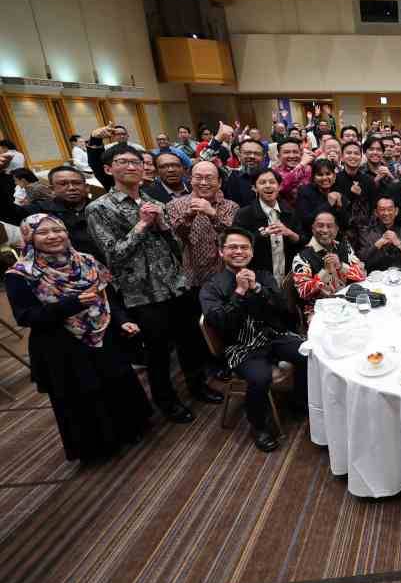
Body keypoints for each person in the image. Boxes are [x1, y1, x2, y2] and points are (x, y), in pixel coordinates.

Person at [5, 214, 152, 463]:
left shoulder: (86, 261)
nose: (52, 236)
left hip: (103, 333)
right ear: (29, 237)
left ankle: (129, 430)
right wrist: (69, 305)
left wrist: (121, 320)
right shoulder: (20, 274)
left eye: (57, 230)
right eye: (43, 232)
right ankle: (98, 448)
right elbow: (26, 316)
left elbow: (108, 298)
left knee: (116, 383)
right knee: (82, 397)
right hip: (61, 345)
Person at [86, 144, 215, 422]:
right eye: (123, 162)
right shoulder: (99, 208)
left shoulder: (154, 202)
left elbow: (177, 245)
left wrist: (163, 226)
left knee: (189, 340)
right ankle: (167, 402)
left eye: (136, 162)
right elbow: (113, 256)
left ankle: (197, 386)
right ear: (109, 169)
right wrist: (142, 225)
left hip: (175, 283)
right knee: (157, 351)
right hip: (142, 292)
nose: (132, 167)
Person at [200, 227, 309, 453]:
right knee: (259, 378)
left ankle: (300, 403)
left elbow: (285, 310)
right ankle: (259, 427)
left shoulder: (263, 276)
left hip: (272, 335)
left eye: (244, 247)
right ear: (221, 252)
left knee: (308, 352)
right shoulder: (212, 286)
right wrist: (239, 291)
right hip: (241, 346)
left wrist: (259, 289)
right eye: (232, 247)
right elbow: (220, 323)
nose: (239, 251)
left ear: (251, 252)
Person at [165, 160, 239, 292]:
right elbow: (176, 239)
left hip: (224, 276)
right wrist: (188, 215)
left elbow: (233, 237)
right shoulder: (174, 205)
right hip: (191, 278)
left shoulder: (231, 206)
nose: (203, 183)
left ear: (219, 182)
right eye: (198, 178)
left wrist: (212, 214)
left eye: (209, 178)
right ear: (190, 180)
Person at [290, 211, 365, 326]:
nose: (325, 230)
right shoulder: (301, 257)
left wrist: (340, 266)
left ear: (336, 229)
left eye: (329, 226)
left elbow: (362, 275)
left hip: (347, 301)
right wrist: (325, 272)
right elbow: (303, 292)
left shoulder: (344, 246)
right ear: (313, 229)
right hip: (317, 309)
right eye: (320, 226)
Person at [233, 169, 303, 280]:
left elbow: (302, 241)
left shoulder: (290, 211)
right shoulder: (244, 214)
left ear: (279, 186)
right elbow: (236, 246)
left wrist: (290, 233)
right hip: (258, 278)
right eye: (262, 182)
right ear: (254, 188)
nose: (268, 186)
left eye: (272, 182)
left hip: (288, 276)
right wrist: (262, 234)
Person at [331, 140, 377, 248]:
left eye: (356, 153)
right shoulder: (335, 179)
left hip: (364, 232)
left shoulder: (369, 180)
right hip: (341, 231)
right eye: (348, 153)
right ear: (342, 157)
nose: (353, 156)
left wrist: (361, 196)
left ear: (361, 158)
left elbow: (373, 207)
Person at [358, 196, 401, 271]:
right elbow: (361, 262)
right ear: (376, 213)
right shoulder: (367, 233)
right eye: (382, 209)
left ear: (396, 211)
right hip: (376, 278)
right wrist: (378, 243)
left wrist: (400, 244)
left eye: (390, 209)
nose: (386, 213)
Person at [223, 139, 267, 207]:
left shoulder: (271, 177)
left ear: (264, 157)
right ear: (239, 155)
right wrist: (218, 138)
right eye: (247, 153)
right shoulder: (229, 174)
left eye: (257, 154)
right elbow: (202, 163)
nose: (252, 156)